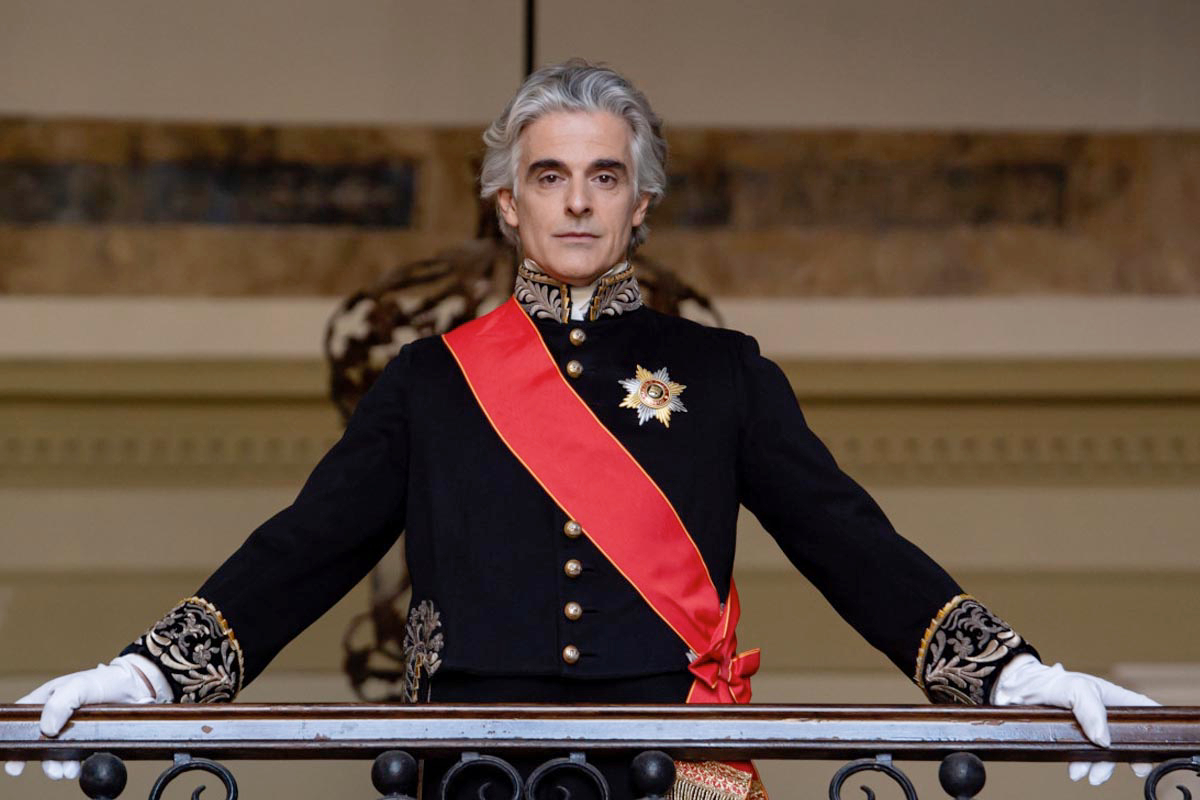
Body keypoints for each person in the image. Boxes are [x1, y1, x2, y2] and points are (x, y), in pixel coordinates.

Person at [6, 60, 1157, 798]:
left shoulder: (723, 372)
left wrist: (1014, 677)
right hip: (468, 771)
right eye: (548, 175)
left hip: (664, 767)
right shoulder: (432, 380)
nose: (575, 200)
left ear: (641, 203)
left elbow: (851, 543)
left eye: (603, 176)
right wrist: (148, 676)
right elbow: (303, 547)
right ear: (505, 202)